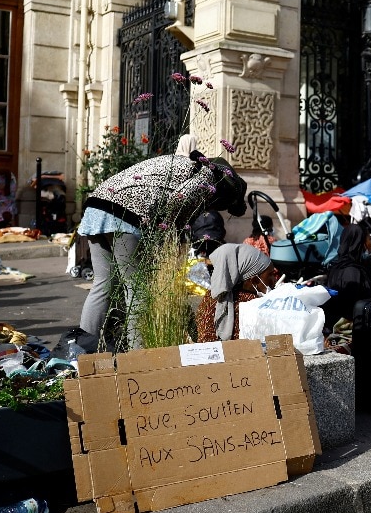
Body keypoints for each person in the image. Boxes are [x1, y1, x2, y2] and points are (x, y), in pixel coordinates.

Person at [77, 133, 247, 350]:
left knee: (103, 283)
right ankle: (138, 355)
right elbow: (176, 207)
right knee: (136, 289)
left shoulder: (184, 165)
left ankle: (83, 349)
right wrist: (170, 242)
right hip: (127, 214)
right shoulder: (205, 179)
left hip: (97, 205)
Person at [195, 243, 280, 342]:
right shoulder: (256, 304)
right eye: (270, 275)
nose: (274, 279)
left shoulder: (210, 296)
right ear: (254, 280)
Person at [322, 225, 371, 354]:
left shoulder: (337, 267)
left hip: (336, 328)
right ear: (359, 242)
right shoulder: (353, 271)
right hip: (353, 332)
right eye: (368, 238)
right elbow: (352, 306)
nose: (370, 243)